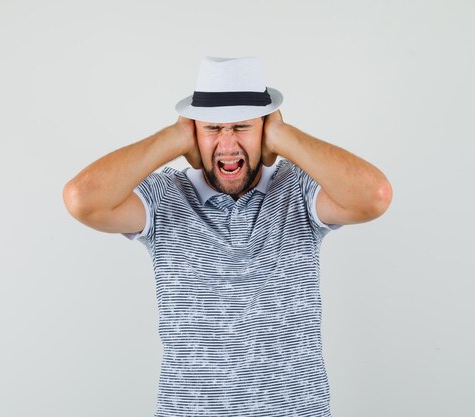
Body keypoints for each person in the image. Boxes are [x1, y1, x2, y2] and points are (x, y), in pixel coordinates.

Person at [63, 56, 392, 417]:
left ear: (265, 131)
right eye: (213, 129)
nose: (228, 143)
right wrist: (173, 138)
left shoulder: (297, 188)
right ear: (193, 133)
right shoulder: (165, 196)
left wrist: (283, 135)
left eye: (242, 127)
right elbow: (83, 200)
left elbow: (373, 196)